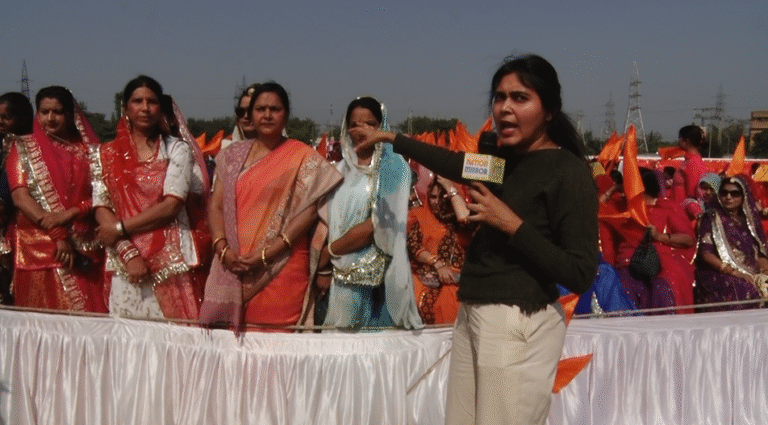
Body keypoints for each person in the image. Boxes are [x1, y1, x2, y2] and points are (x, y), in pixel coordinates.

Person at [351, 54, 598, 424]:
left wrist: (512, 225)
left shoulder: (569, 172)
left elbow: (579, 273)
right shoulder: (502, 164)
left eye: (520, 98)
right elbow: (453, 164)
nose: (505, 109)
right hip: (474, 311)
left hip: (517, 319)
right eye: (499, 97)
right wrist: (392, 138)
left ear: (550, 111)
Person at [199, 82, 342, 332]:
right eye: (260, 109)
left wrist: (267, 254)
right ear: (250, 115)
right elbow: (216, 207)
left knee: (276, 346)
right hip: (233, 265)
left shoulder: (302, 156)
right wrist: (223, 251)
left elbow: (309, 212)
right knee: (234, 350)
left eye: (274, 109)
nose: (267, 115)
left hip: (282, 266)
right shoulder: (230, 156)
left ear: (286, 114)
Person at [92, 75, 210, 320]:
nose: (145, 108)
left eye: (152, 101)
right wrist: (129, 253)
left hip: (170, 262)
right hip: (125, 262)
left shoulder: (176, 149)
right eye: (137, 101)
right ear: (125, 108)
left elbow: (171, 206)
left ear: (160, 108)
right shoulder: (105, 154)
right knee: (127, 343)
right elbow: (101, 206)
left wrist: (119, 228)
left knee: (175, 341)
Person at [317, 96, 422, 330]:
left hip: (378, 284)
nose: (360, 130)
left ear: (382, 127)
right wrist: (323, 266)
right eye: (354, 123)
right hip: (336, 278)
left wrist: (329, 252)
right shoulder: (337, 171)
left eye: (370, 123)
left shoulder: (394, 168)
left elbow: (377, 224)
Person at [5, 86, 105, 312]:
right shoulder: (23, 147)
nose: (50, 118)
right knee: (43, 326)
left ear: (71, 115)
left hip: (85, 248)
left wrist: (73, 213)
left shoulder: (90, 152)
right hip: (40, 249)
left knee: (88, 322)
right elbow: (21, 197)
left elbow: (102, 195)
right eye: (44, 111)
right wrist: (59, 234)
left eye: (57, 112)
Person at [600, 168, 696, 312]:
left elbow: (688, 240)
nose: (625, 190)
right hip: (626, 264)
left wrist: (659, 236)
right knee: (622, 289)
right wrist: (612, 189)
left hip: (661, 263)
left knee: (662, 289)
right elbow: (599, 208)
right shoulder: (621, 209)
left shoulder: (665, 207)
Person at [407, 175, 474, 324]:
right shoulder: (419, 215)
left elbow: (466, 222)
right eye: (433, 197)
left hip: (458, 281)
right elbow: (415, 247)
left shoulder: (459, 221)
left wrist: (451, 188)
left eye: (442, 197)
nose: (436, 202)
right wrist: (438, 264)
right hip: (426, 279)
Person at [694, 176, 768, 311]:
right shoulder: (711, 218)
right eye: (724, 193)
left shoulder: (750, 220)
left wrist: (765, 272)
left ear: (743, 196)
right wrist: (734, 272)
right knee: (747, 290)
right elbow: (705, 254)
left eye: (734, 193)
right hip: (719, 272)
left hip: (751, 271)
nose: (728, 197)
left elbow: (760, 252)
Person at [0, 92, 34, 305]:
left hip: (21, 227)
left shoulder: (29, 147)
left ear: (22, 118)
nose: (0, 122)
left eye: (6, 117)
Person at [673, 125, 707, 219]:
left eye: (679, 138)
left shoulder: (693, 163)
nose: (678, 141)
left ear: (686, 141)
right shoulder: (689, 161)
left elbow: (693, 196)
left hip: (684, 218)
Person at [220, 84, 259, 153]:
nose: (246, 116)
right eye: (241, 112)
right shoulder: (225, 149)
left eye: (251, 111)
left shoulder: (277, 151)